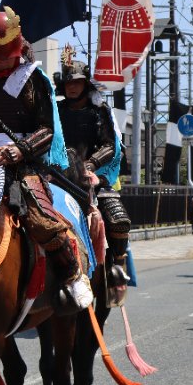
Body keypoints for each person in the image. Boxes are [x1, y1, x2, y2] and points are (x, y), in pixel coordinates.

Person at [0, 8, 93, 312]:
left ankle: (71, 275)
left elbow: (47, 129)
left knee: (41, 217)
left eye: (6, 57)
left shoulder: (33, 79)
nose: (0, 62)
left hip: (21, 165)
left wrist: (18, 149)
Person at [54, 48, 130, 303]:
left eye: (77, 82)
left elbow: (111, 144)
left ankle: (117, 267)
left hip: (92, 176)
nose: (72, 87)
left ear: (85, 84)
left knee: (118, 219)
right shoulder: (56, 111)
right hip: (59, 176)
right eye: (68, 82)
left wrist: (91, 164)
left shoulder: (100, 112)